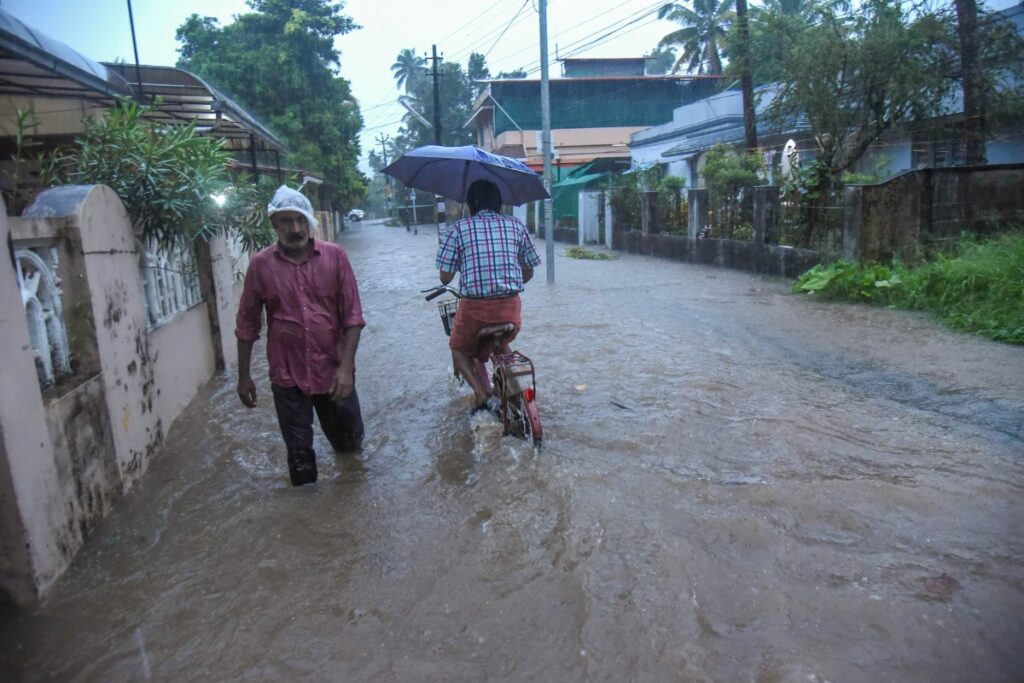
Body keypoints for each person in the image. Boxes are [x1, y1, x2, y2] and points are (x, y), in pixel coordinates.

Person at [235, 185, 365, 486]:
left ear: (309, 221)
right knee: (299, 458)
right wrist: (244, 376)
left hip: (334, 373)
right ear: (274, 224)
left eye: (300, 220)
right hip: (287, 376)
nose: (294, 228)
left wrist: (346, 369)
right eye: (286, 221)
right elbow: (247, 323)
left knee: (350, 447)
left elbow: (353, 317)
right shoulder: (261, 266)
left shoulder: (335, 257)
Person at [435, 179, 541, 414]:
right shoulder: (516, 225)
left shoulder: (459, 228)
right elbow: (529, 271)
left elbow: (444, 279)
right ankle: (515, 390)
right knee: (503, 343)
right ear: (499, 203)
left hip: (475, 312)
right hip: (510, 311)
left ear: (471, 204)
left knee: (457, 348)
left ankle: (480, 393)